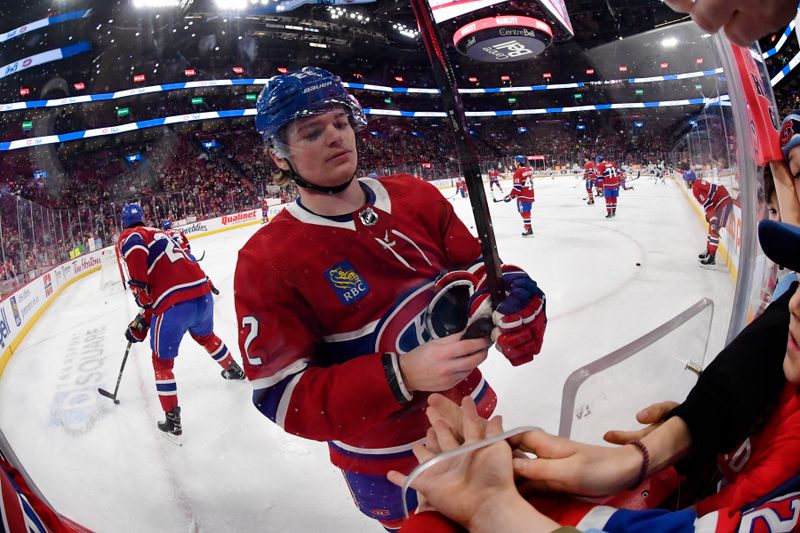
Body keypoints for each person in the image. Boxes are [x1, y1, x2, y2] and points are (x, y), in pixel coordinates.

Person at [233, 66, 548, 530]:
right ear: (279, 157)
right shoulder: (267, 259)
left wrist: (512, 300)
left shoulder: (415, 196)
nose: (335, 137)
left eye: (340, 123)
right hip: (387, 461)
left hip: (472, 418)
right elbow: (282, 396)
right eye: (311, 131)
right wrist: (400, 374)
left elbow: (477, 270)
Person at [118, 204, 244, 439]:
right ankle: (233, 369)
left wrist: (141, 305)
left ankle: (172, 420)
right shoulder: (161, 233)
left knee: (162, 363)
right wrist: (145, 319)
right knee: (207, 337)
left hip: (174, 304)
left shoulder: (131, 235)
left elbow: (135, 248)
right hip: (202, 295)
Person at [160, 219, 219, 296]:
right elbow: (188, 246)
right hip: (187, 254)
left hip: (174, 259)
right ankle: (210, 285)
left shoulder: (161, 234)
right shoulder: (178, 231)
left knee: (176, 279)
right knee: (198, 272)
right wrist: (188, 255)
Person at [692, 179, 733, 267]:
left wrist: (712, 218)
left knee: (715, 228)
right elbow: (709, 201)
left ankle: (712, 257)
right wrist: (710, 215)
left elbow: (708, 205)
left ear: (689, 181)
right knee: (712, 227)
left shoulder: (696, 188)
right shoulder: (697, 183)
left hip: (723, 202)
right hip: (720, 200)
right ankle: (709, 251)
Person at [504, 155, 535, 237]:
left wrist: (511, 196)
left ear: (518, 163)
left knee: (524, 212)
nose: (514, 163)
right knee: (527, 211)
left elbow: (517, 188)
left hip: (523, 196)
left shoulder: (518, 172)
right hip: (530, 194)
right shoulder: (528, 170)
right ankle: (528, 227)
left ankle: (528, 229)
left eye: (515, 161)